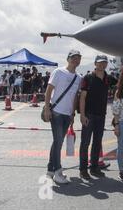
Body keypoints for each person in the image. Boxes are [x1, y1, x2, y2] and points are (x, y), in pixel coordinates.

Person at [43, 50, 82, 184]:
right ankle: (58, 171)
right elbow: (48, 90)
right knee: (58, 142)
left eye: (78, 58)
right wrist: (47, 108)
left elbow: (75, 97)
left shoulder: (78, 78)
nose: (76, 60)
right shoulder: (58, 72)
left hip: (67, 114)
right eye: (73, 57)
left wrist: (72, 114)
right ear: (68, 59)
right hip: (56, 112)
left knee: (57, 142)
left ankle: (50, 170)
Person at [79, 55, 110, 180]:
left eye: (104, 63)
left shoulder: (108, 78)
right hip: (89, 115)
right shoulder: (88, 78)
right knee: (85, 143)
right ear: (95, 64)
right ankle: (83, 169)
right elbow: (82, 97)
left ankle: (94, 167)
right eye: (100, 63)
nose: (102, 65)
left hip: (101, 115)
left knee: (97, 142)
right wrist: (82, 115)